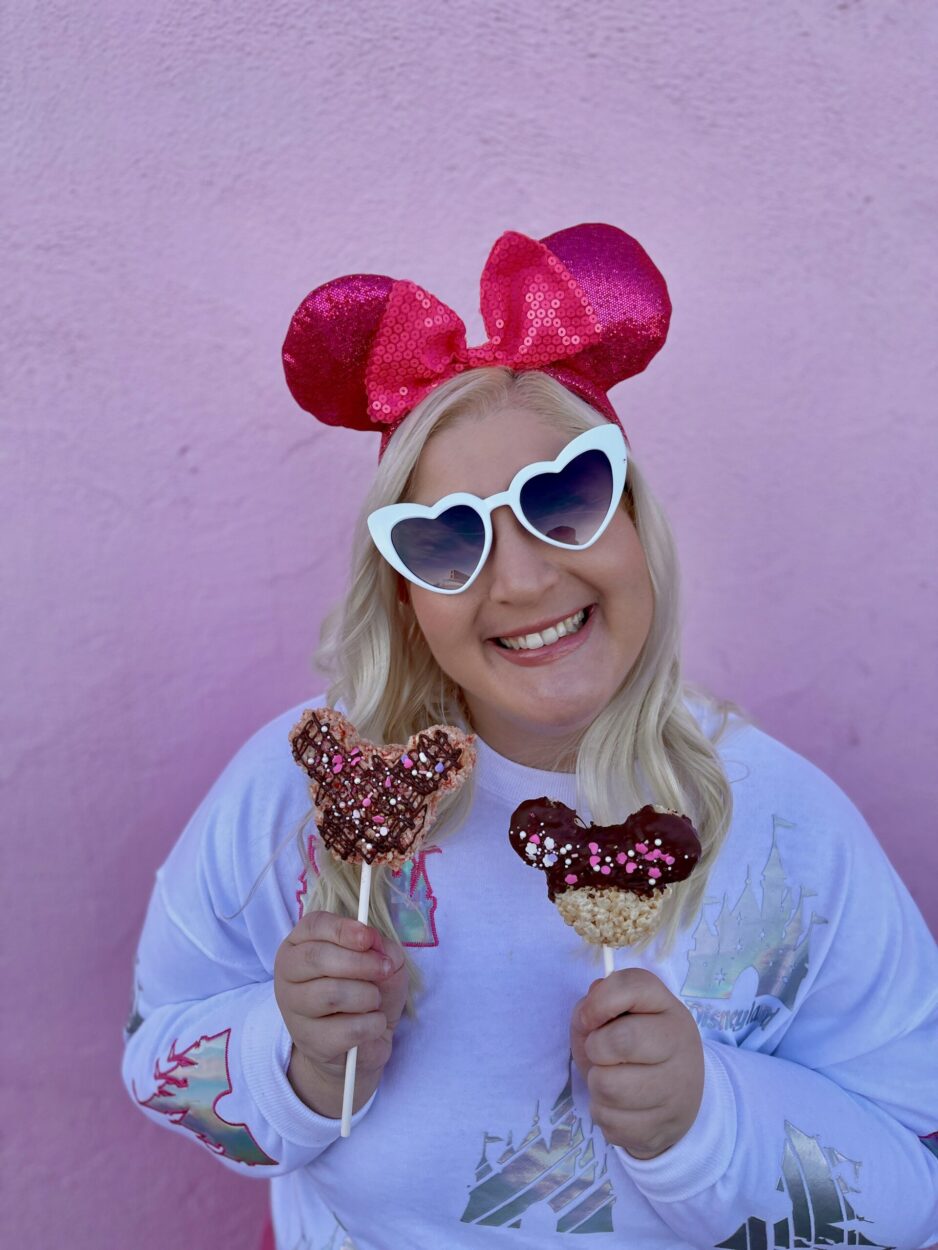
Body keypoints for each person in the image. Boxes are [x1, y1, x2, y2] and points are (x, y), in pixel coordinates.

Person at [121, 224, 938, 1250]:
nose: (519, 579)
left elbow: (917, 1181)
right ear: (404, 592)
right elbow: (154, 1057)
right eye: (446, 541)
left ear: (634, 518)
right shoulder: (296, 795)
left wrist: (705, 1120)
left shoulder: (785, 825)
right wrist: (292, 1061)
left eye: (564, 498)